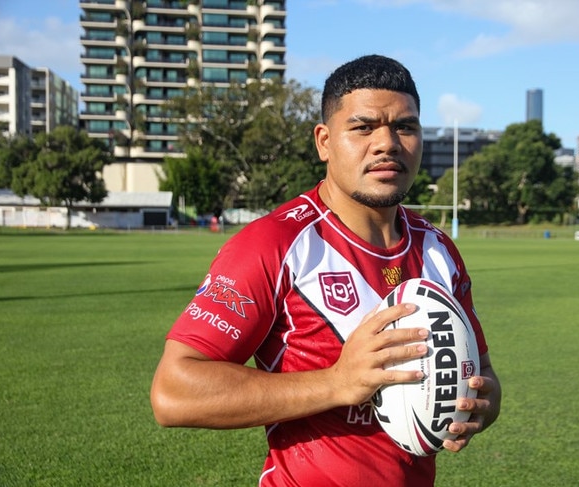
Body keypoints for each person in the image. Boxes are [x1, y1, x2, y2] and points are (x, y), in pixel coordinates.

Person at [150, 54, 502, 486]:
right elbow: (173, 391)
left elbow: (486, 377)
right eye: (363, 127)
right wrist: (337, 382)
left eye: (404, 127)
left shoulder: (439, 251)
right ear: (324, 141)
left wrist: (477, 405)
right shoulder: (273, 244)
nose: (387, 143)